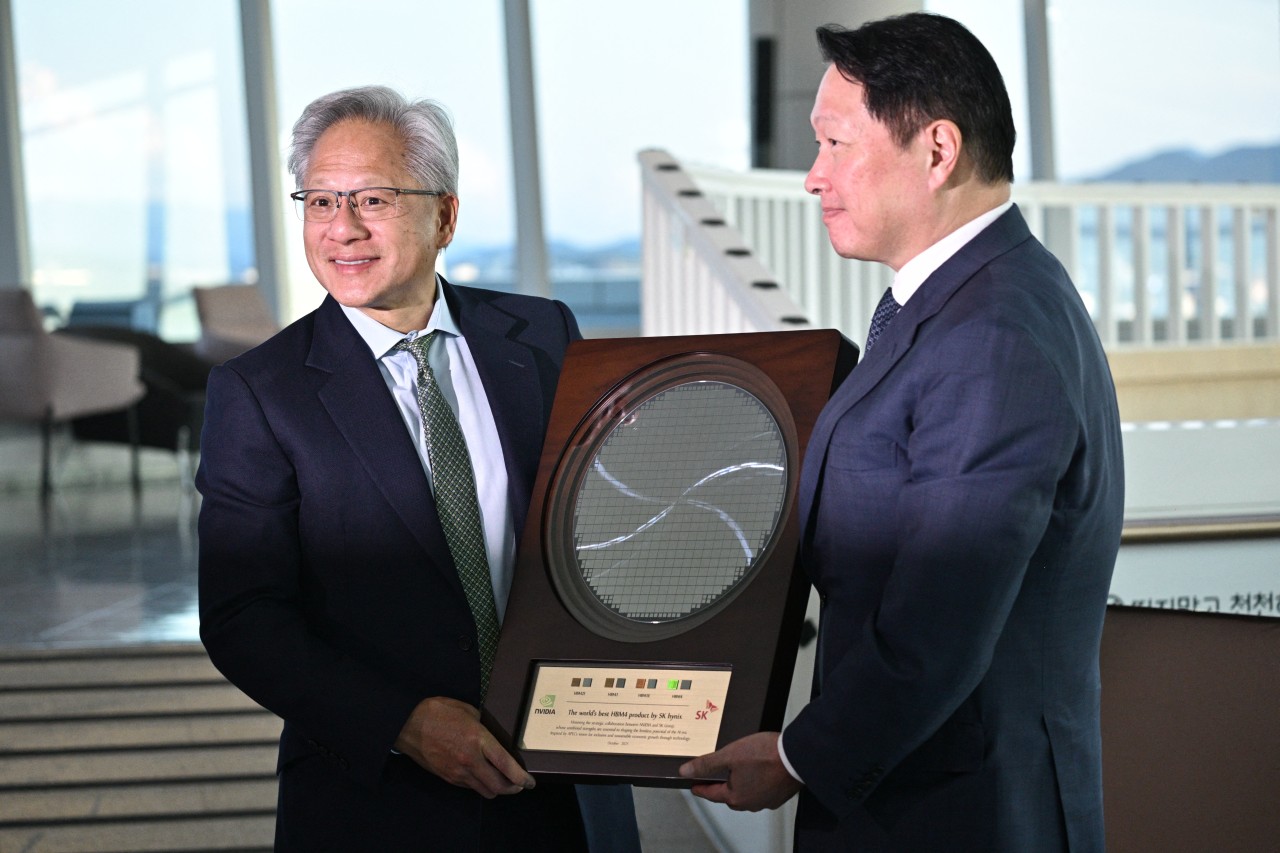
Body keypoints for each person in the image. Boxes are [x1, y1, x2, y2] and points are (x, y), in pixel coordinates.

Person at [680, 13, 1124, 851]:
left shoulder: (991, 332)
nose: (813, 177)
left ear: (938, 150)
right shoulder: (966, 299)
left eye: (835, 143)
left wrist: (797, 756)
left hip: (961, 814)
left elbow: (941, 619)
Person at [197, 86, 638, 852]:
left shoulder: (540, 335)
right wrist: (403, 723)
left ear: (445, 215)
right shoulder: (261, 393)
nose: (342, 228)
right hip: (380, 799)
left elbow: (600, 529)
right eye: (321, 201)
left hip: (564, 786)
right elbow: (244, 616)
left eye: (372, 198)